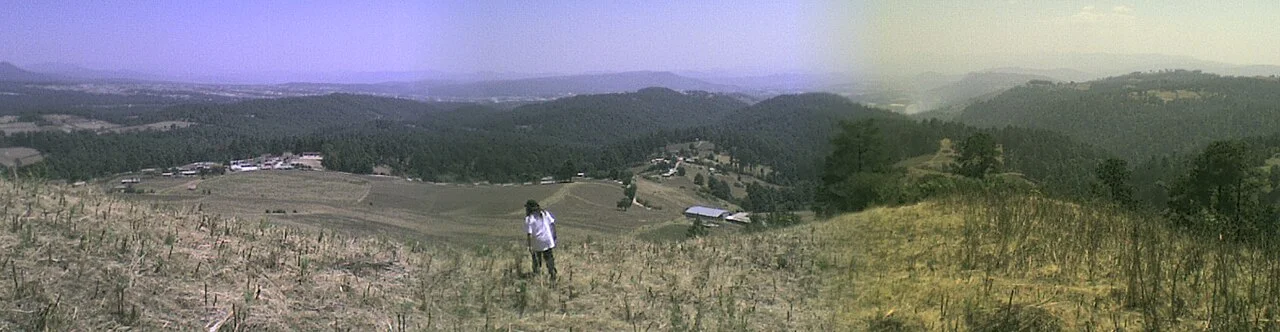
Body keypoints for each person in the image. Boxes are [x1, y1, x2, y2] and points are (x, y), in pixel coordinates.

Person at [524, 199, 557, 280]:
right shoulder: (545, 213)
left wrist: (529, 246)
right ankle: (552, 272)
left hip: (537, 242)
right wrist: (554, 236)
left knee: (536, 259)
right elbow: (552, 224)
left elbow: (529, 234)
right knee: (549, 257)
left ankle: (536, 275)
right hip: (548, 239)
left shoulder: (529, 219)